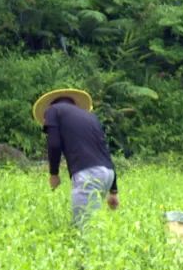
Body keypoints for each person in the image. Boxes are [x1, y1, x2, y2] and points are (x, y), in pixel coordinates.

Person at [32, 88, 119, 226]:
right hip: (107, 174)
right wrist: (113, 190)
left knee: (84, 229)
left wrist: (54, 174)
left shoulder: (53, 110)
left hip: (88, 175)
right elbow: (104, 151)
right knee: (94, 224)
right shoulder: (91, 117)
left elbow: (54, 144)